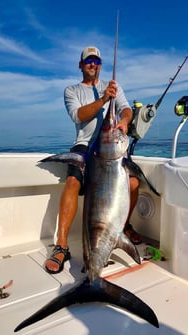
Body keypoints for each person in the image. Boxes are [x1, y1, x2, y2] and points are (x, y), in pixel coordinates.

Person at [45, 46, 142, 274]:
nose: (92, 64)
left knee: (135, 184)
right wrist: (103, 101)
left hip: (110, 144)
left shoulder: (111, 87)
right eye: (88, 60)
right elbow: (78, 115)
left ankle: (122, 226)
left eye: (96, 61)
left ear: (100, 65)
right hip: (86, 145)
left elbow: (126, 110)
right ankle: (61, 246)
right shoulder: (72, 90)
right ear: (81, 65)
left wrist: (125, 121)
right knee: (72, 182)